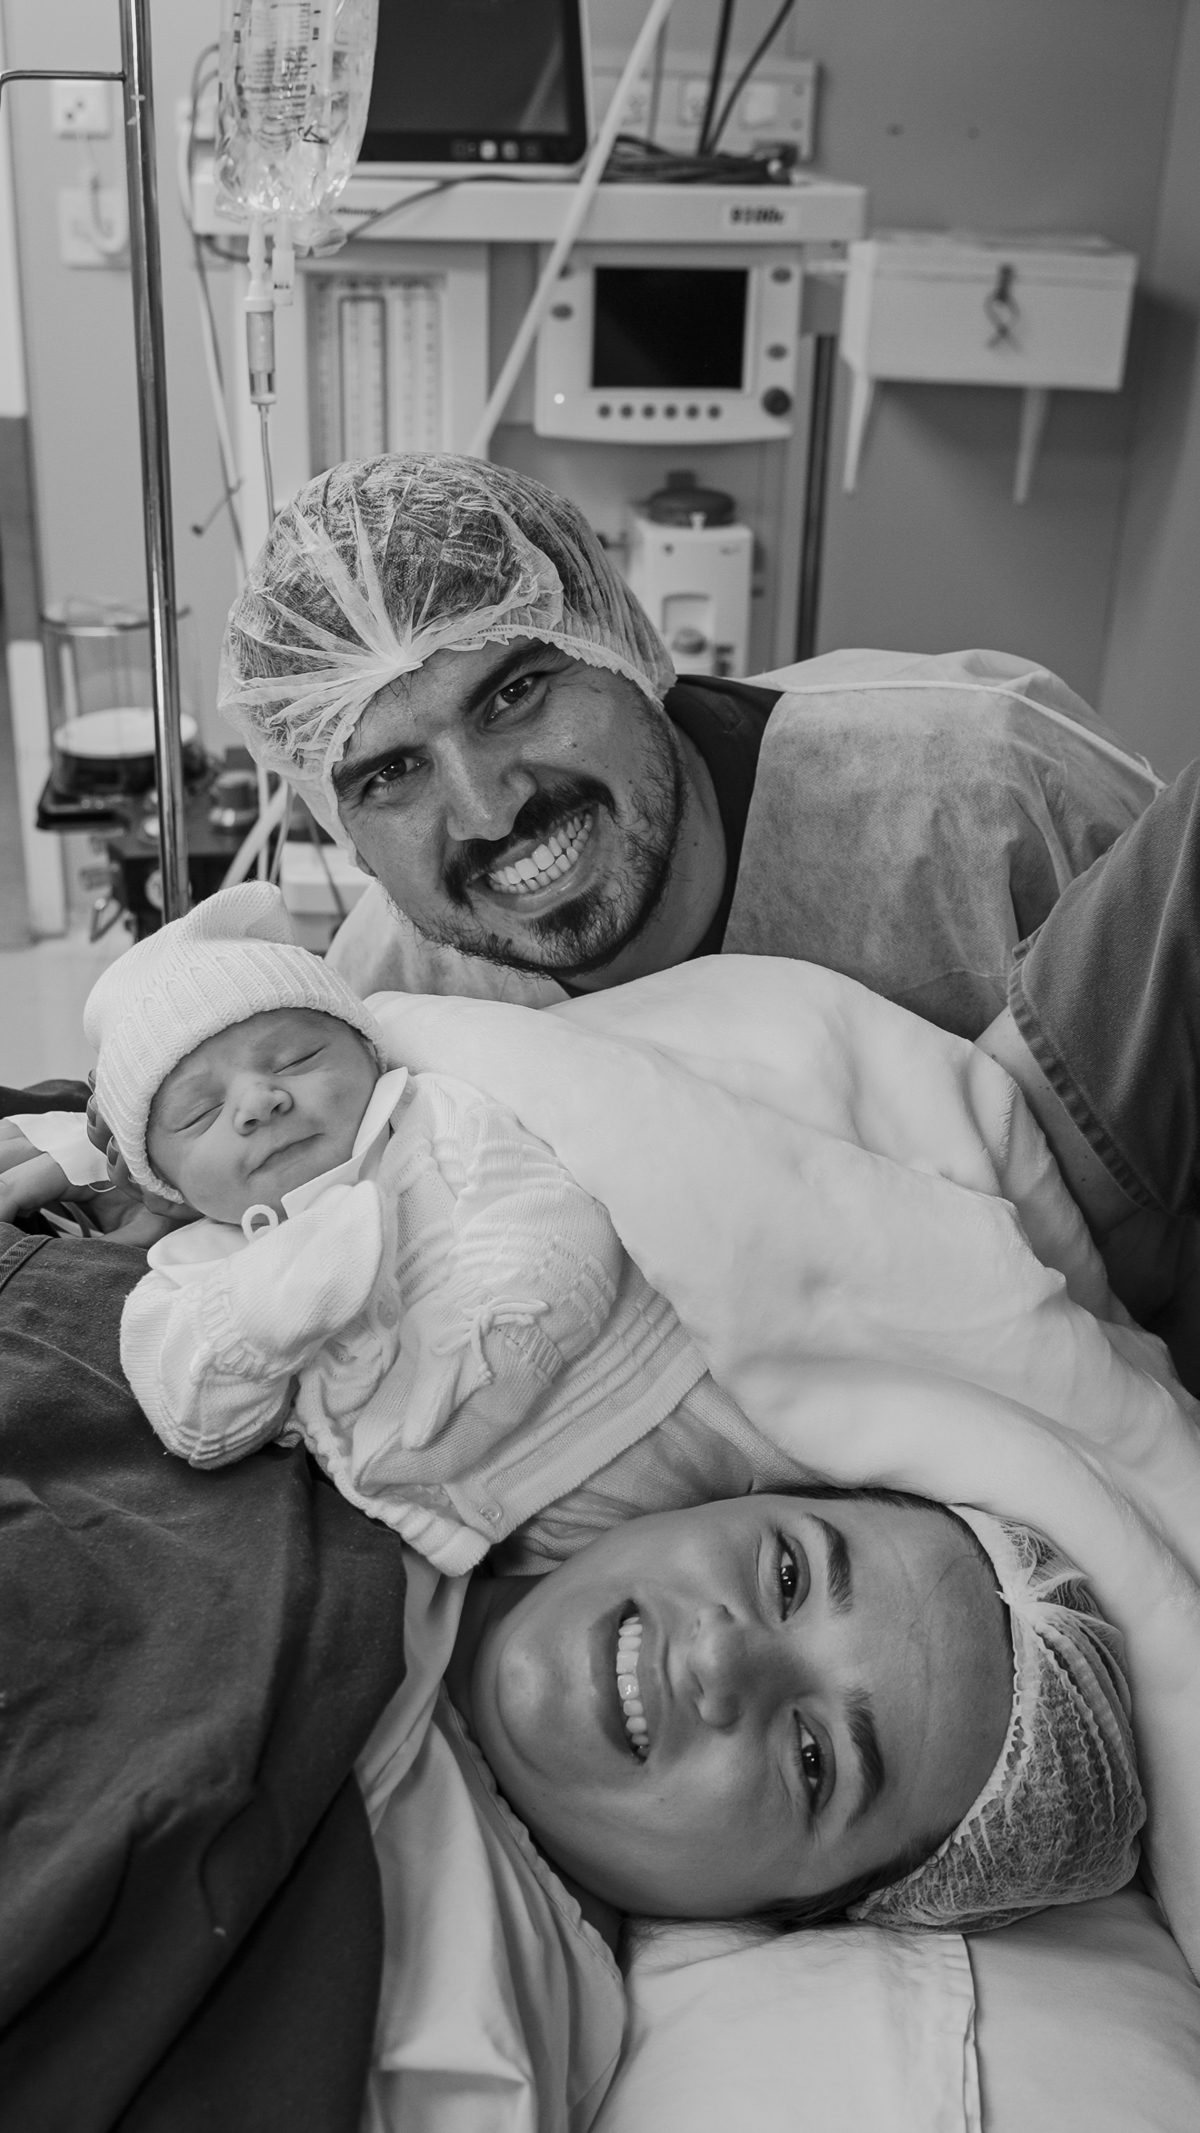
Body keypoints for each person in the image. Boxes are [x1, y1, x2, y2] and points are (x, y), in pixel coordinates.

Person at [218, 454, 1158, 1040]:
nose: (488, 810)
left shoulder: (991, 791)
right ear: (341, 826)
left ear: (619, 647)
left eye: (512, 695)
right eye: (391, 773)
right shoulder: (391, 1000)